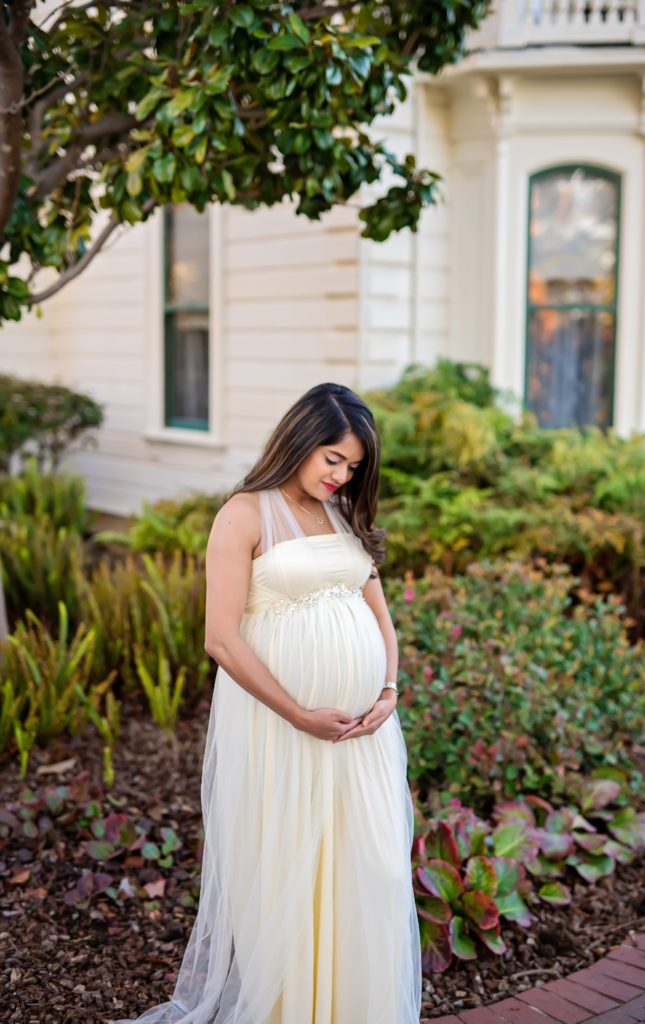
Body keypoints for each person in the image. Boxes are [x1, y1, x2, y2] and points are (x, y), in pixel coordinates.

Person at [109, 382, 422, 1024]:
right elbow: (221, 638)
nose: (341, 475)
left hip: (361, 737)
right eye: (332, 458)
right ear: (300, 440)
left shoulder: (341, 516)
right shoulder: (245, 514)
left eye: (353, 466)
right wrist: (301, 714)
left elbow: (382, 619)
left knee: (371, 872)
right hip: (283, 731)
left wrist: (389, 690)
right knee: (291, 875)